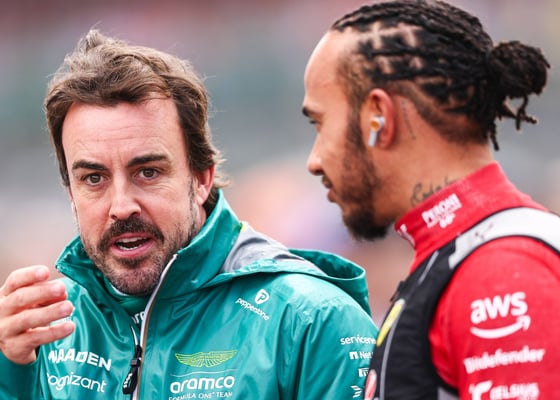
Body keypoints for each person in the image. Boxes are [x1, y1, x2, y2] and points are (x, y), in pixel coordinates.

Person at [0, 29, 378, 399]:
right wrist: (10, 374)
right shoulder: (42, 335)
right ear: (70, 192)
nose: (122, 206)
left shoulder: (313, 321)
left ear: (201, 179)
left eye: (148, 172)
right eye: (94, 178)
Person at [302, 0, 560, 399]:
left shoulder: (500, 267)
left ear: (379, 117)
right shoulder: (463, 254)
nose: (314, 160)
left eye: (320, 124)